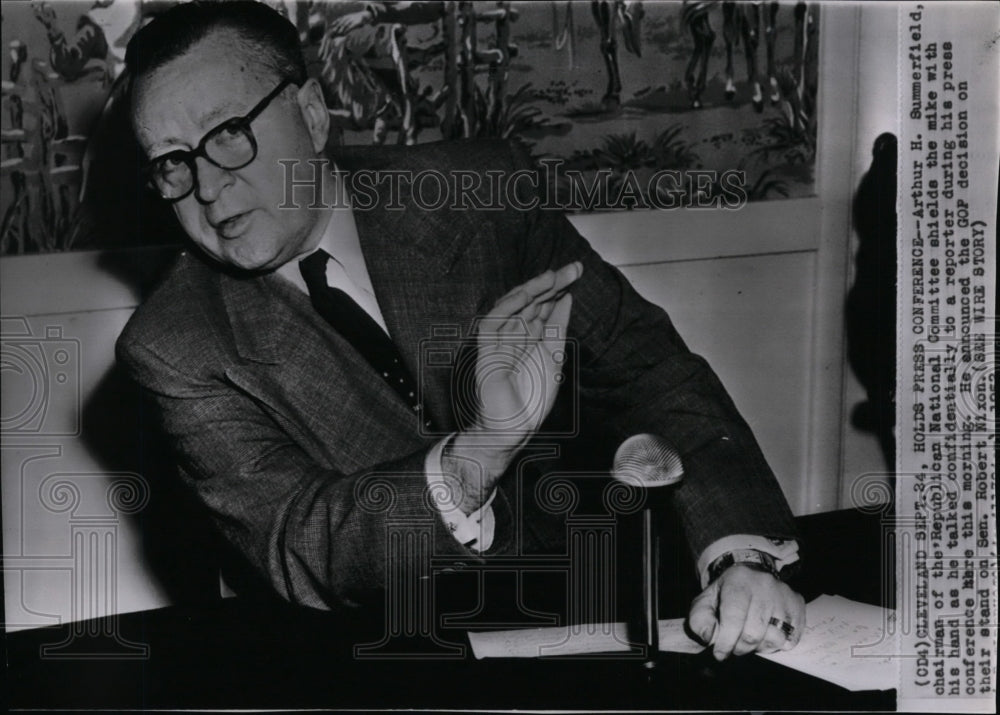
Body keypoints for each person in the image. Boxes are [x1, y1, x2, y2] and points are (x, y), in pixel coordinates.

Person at [117, 0, 805, 661]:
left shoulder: (476, 192)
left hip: (593, 599)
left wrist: (739, 556)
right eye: (172, 161)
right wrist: (480, 451)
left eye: (227, 135)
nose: (206, 188)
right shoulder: (174, 343)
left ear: (311, 113)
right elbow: (301, 543)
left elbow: (647, 369)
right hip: (377, 653)